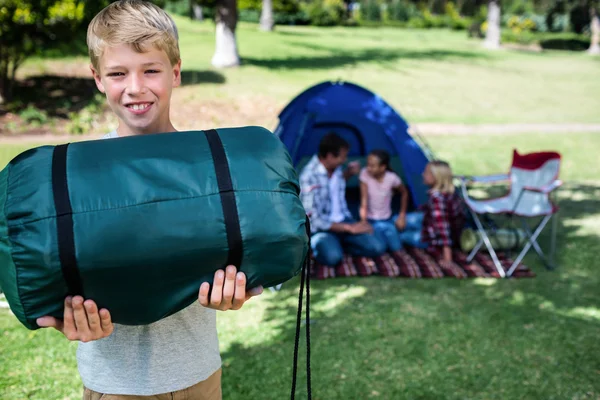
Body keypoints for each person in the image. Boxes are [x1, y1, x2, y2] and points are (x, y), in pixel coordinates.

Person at [35, 2, 262, 399]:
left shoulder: (208, 168)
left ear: (175, 72)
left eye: (151, 70)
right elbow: (54, 280)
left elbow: (242, 259)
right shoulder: (80, 177)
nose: (135, 87)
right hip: (114, 386)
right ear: (98, 79)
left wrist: (239, 289)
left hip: (199, 377)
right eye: (118, 73)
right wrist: (63, 317)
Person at [299, 132, 386, 267]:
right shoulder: (308, 177)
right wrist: (349, 228)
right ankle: (323, 246)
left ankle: (340, 244)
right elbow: (312, 219)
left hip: (344, 220)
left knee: (377, 247)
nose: (344, 161)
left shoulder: (337, 169)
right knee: (332, 258)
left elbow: (331, 187)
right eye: (342, 157)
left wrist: (349, 173)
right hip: (323, 229)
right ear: (329, 156)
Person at [398, 160, 465, 262]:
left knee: (399, 236)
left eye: (427, 173)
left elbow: (443, 226)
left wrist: (447, 256)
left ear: (436, 177)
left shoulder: (437, 199)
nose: (423, 174)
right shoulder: (449, 192)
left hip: (432, 239)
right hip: (436, 227)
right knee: (399, 220)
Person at [358, 149, 409, 252]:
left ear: (383, 167)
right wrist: (364, 222)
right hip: (371, 220)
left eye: (372, 166)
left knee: (396, 248)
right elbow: (364, 201)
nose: (368, 168)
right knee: (380, 246)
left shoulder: (392, 178)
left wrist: (402, 215)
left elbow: (404, 193)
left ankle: (399, 233)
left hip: (387, 219)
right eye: (368, 164)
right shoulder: (365, 174)